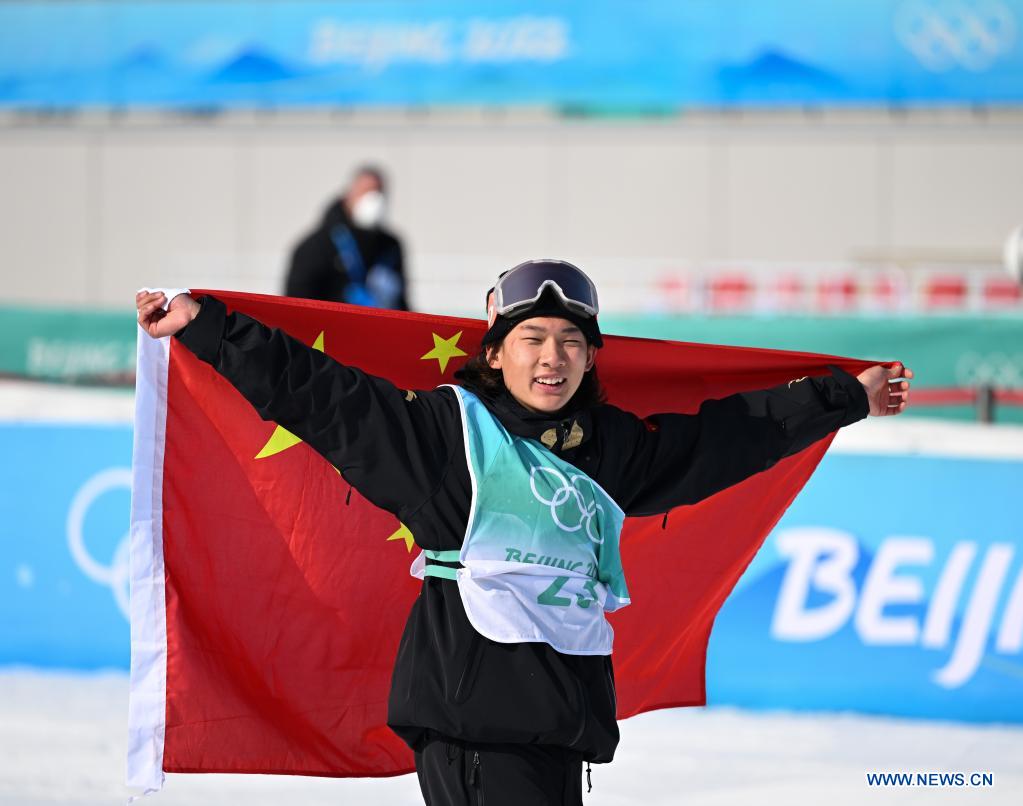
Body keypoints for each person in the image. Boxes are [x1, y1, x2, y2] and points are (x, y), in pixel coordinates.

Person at [135, 260, 912, 806]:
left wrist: (841, 397)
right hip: (472, 723)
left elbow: (722, 438)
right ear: (496, 351)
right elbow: (321, 397)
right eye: (533, 340)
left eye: (571, 343)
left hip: (555, 723)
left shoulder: (609, 447)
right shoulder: (447, 439)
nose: (553, 358)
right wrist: (208, 327)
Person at [285, 165, 409, 310]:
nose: (374, 200)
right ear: (349, 196)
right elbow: (297, 304)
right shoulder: (317, 245)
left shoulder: (391, 246)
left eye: (379, 192)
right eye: (366, 192)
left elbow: (402, 303)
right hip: (331, 329)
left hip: (380, 328)